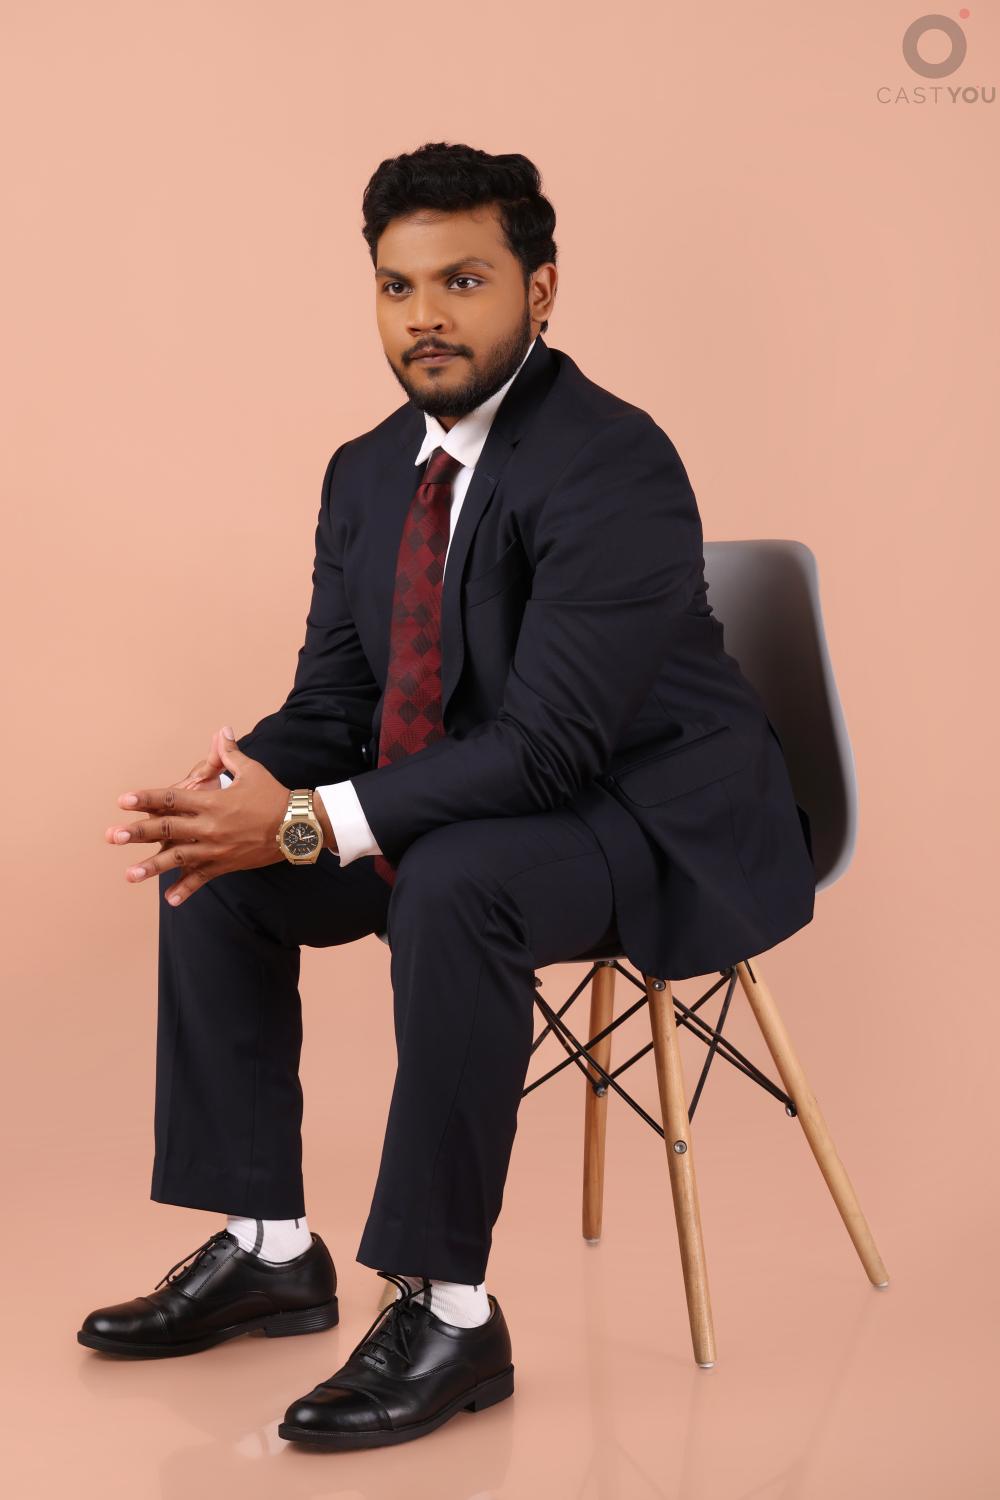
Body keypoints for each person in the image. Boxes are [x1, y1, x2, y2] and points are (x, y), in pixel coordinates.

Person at [78, 141, 816, 1450]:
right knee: (221, 869)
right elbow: (335, 700)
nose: (424, 314)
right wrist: (244, 787)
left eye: (462, 280)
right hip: (469, 790)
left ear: (540, 289)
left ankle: (450, 1313)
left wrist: (308, 819)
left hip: (647, 812)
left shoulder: (612, 460)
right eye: (396, 285)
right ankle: (269, 1245)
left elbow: (552, 746)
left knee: (456, 887)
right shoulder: (367, 471)